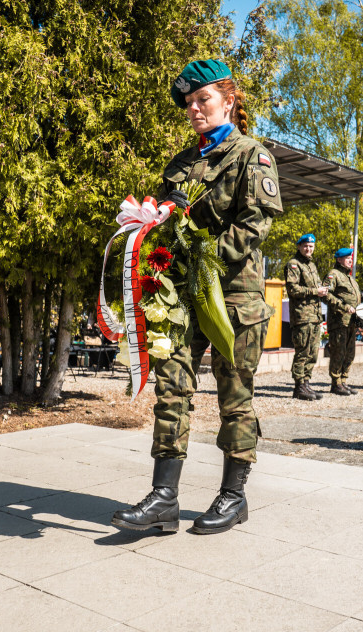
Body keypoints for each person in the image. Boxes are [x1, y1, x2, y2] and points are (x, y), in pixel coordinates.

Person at [111, 59, 282, 535]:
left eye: (202, 99)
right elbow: (162, 227)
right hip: (180, 299)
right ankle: (164, 499)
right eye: (188, 103)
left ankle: (233, 495)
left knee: (235, 397)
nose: (194, 109)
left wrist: (204, 263)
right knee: (172, 390)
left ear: (229, 99)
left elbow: (256, 223)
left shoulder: (252, 155)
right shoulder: (180, 165)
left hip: (232, 297)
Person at [285, 233, 326, 400]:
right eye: (305, 246)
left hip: (314, 316)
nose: (308, 249)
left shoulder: (311, 266)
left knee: (312, 352)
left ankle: (306, 384)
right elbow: (293, 290)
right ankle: (298, 386)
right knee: (302, 351)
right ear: (299, 246)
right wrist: (315, 291)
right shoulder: (294, 265)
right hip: (302, 316)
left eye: (311, 246)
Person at [324, 247, 361, 395]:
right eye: (347, 258)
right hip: (339, 321)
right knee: (338, 352)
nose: (350, 260)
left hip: (351, 322)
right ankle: (335, 383)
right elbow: (326, 295)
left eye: (351, 258)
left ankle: (343, 381)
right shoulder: (334, 275)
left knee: (349, 353)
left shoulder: (350, 278)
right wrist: (343, 307)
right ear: (339, 259)